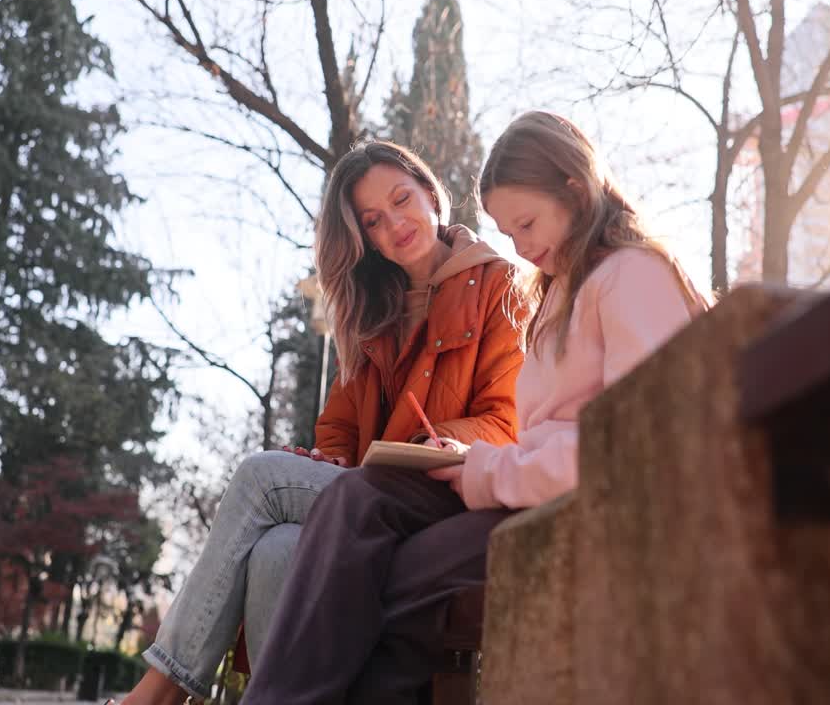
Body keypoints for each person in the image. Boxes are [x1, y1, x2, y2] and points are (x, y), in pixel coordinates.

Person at [241, 111, 710, 704]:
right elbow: (545, 432)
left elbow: (635, 448)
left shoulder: (631, 276)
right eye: (509, 234)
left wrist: (490, 470)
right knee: (361, 495)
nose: (521, 247)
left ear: (575, 186)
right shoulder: (561, 292)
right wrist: (479, 463)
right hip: (536, 495)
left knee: (395, 581)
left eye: (527, 224)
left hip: (593, 515)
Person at [119, 140, 527, 705]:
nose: (395, 224)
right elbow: (337, 427)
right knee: (277, 549)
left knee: (261, 477)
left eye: (402, 199)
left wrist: (429, 444)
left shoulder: (500, 287)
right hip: (364, 495)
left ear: (432, 194)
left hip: (445, 495)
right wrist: (331, 456)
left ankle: (161, 691)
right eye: (373, 221)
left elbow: (507, 421)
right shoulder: (369, 310)